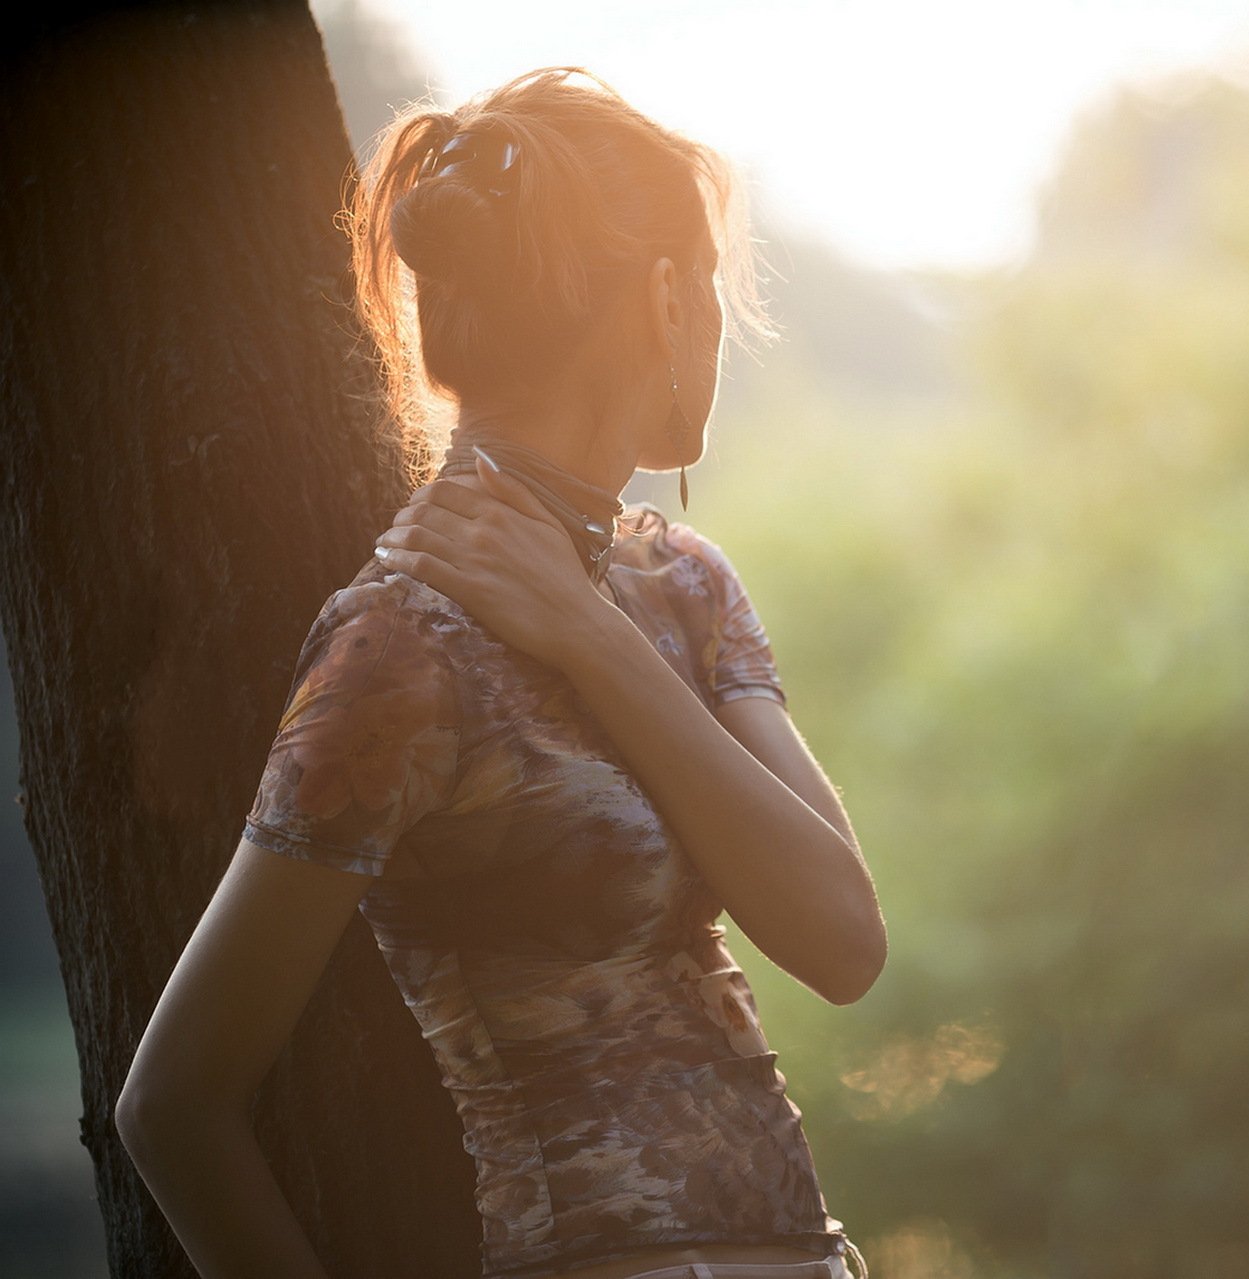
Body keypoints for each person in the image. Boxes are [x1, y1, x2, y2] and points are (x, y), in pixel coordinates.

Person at [115, 66, 884, 1279]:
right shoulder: (400, 645)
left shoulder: (680, 587)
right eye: (711, 288)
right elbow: (171, 1103)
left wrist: (592, 637)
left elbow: (843, 941)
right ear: (668, 298)